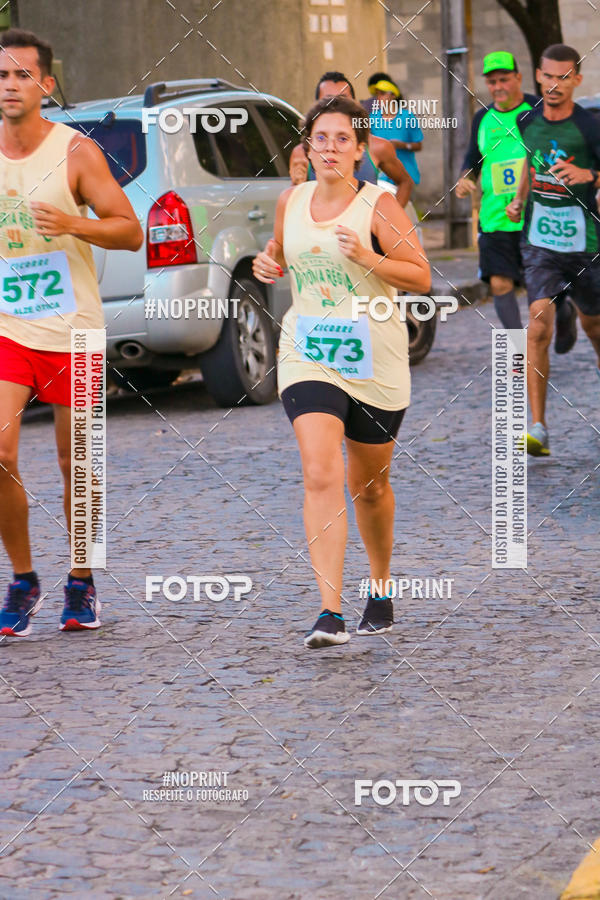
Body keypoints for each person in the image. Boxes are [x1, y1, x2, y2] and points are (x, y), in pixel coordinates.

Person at [254, 95, 430, 648]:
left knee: (370, 486)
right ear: (307, 144)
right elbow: (282, 251)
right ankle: (329, 611)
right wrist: (269, 262)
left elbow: (421, 277)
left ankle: (379, 587)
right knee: (319, 469)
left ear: (359, 150)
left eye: (342, 139)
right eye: (320, 138)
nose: (330, 148)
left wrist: (369, 258)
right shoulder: (291, 199)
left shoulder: (378, 205)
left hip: (375, 358)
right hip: (308, 350)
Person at [0, 29, 143, 636]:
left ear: (45, 85)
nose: (10, 86)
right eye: (2, 76)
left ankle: (81, 579)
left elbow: (130, 230)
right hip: (10, 326)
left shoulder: (76, 153)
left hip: (74, 330)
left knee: (75, 464)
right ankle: (24, 579)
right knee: (0, 451)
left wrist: (73, 225)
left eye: (21, 76)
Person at [506, 44, 600, 456]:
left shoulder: (591, 127)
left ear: (577, 80)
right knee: (538, 320)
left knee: (595, 327)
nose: (555, 85)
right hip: (541, 239)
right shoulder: (527, 121)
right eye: (548, 76)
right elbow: (530, 164)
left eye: (564, 77)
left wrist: (590, 174)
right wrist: (517, 198)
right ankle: (538, 427)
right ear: (539, 77)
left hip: (585, 242)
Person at [457, 50, 577, 346]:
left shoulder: (538, 109)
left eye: (504, 79)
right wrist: (464, 179)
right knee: (499, 282)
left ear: (519, 78)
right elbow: (473, 159)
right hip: (495, 216)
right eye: (492, 81)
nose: (498, 86)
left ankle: (564, 313)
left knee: (547, 287)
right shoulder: (483, 118)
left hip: (538, 214)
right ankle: (517, 346)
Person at [288, 72, 413, 207]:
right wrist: (296, 185)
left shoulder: (377, 147)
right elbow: (294, 209)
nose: (335, 107)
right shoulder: (302, 153)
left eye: (343, 100)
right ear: (317, 106)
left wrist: (388, 222)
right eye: (328, 100)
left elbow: (405, 182)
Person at [368, 75, 423, 200]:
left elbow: (418, 145)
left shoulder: (407, 116)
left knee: (405, 214)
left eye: (382, 93)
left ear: (393, 95)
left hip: (405, 175)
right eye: (377, 94)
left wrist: (402, 145)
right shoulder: (372, 118)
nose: (379, 97)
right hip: (381, 177)